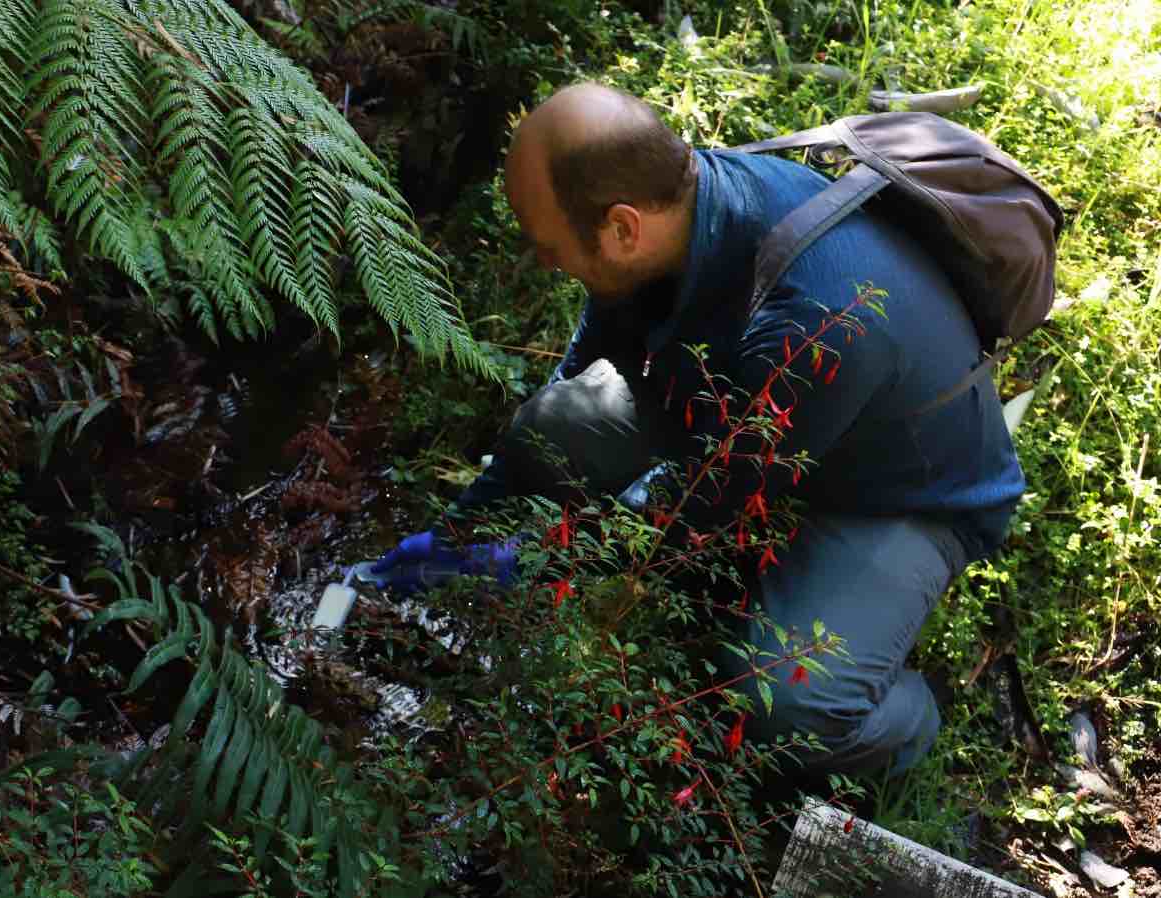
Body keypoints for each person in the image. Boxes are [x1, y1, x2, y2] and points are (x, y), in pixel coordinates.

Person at [370, 83, 1024, 776]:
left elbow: (692, 517)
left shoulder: (815, 323)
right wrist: (459, 531)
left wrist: (526, 566)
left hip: (903, 495)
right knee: (558, 422)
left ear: (621, 228)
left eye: (547, 246)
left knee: (783, 703)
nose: (545, 263)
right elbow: (588, 364)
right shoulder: (671, 211)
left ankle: (914, 714)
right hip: (769, 426)